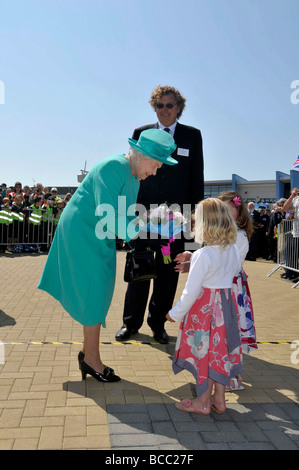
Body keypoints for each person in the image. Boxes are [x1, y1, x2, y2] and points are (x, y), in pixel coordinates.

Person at [38, 129, 178, 383]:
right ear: (140, 154)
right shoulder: (113, 167)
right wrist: (147, 227)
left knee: (100, 289)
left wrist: (153, 222)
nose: (155, 172)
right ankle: (91, 359)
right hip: (82, 231)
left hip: (99, 233)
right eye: (155, 165)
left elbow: (125, 217)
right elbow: (110, 215)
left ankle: (88, 354)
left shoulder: (134, 176)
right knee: (94, 289)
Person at [116, 85, 204, 344]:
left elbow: (196, 176)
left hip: (176, 219)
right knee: (139, 269)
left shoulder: (192, 136)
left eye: (169, 105)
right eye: (159, 105)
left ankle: (158, 324)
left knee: (167, 270)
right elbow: (131, 172)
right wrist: (128, 212)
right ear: (154, 107)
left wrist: (195, 214)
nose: (164, 110)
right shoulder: (141, 133)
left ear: (179, 108)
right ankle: (130, 323)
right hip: (143, 215)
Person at [166, 198, 242, 415]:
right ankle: (219, 398)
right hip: (226, 309)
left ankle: (202, 401)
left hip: (205, 312)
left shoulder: (203, 254)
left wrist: (174, 313)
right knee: (220, 351)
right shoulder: (233, 251)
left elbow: (190, 292)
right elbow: (232, 274)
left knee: (206, 353)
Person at [218, 191, 257, 391]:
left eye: (227, 209)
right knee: (222, 331)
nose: (223, 212)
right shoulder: (222, 232)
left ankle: (234, 375)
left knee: (231, 332)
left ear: (238, 212)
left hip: (231, 288)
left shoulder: (239, 237)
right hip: (222, 286)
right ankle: (224, 372)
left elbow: (229, 265)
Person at [282, 188, 299, 282]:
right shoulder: (295, 199)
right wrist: (292, 196)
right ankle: (294, 272)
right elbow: (285, 208)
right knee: (289, 252)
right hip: (296, 231)